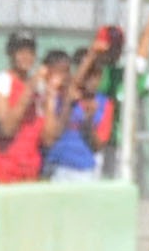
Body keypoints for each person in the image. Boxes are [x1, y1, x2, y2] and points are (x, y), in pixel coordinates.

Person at [40, 48, 113, 183]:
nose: (91, 80)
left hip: (83, 170)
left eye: (96, 75)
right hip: (56, 165)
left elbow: (98, 145)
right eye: (88, 74)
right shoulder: (64, 95)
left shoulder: (104, 103)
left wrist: (89, 121)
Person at [0, 31, 44, 185]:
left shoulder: (40, 87)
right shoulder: (1, 82)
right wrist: (29, 90)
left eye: (30, 52)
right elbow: (6, 128)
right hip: (6, 167)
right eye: (20, 51)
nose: (26, 57)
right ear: (10, 53)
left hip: (31, 167)